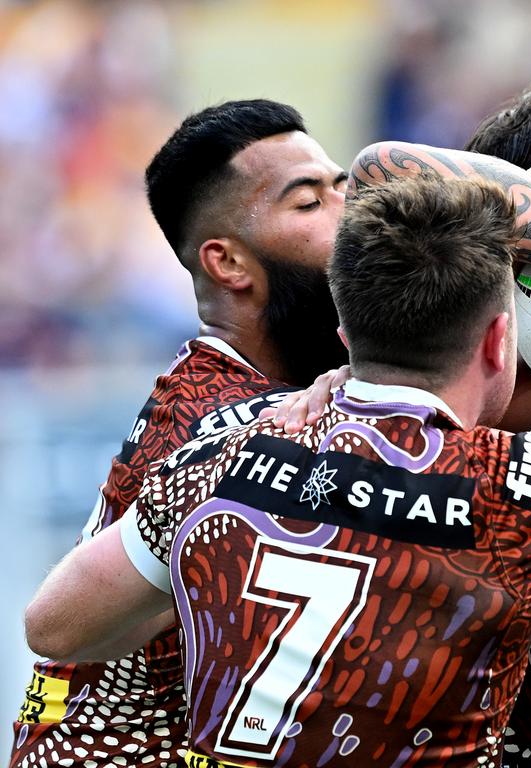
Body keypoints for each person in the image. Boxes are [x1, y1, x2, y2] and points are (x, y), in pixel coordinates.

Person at [24, 173, 531, 767]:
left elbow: (55, 627)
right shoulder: (514, 485)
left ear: (345, 332)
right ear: (496, 344)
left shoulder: (221, 449)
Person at [10, 98, 349, 768]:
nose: (352, 219)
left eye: (345, 190)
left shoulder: (281, 390)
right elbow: (51, 628)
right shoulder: (225, 427)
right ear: (228, 265)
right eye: (310, 205)